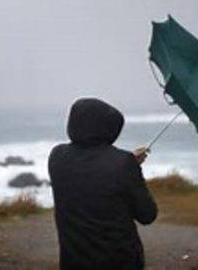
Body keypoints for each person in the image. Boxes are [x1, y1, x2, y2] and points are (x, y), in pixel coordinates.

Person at [48, 98, 158, 270]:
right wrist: (130, 168)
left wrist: (127, 164)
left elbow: (91, 171)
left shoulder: (57, 156)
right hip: (119, 261)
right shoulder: (122, 163)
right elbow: (147, 214)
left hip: (73, 261)